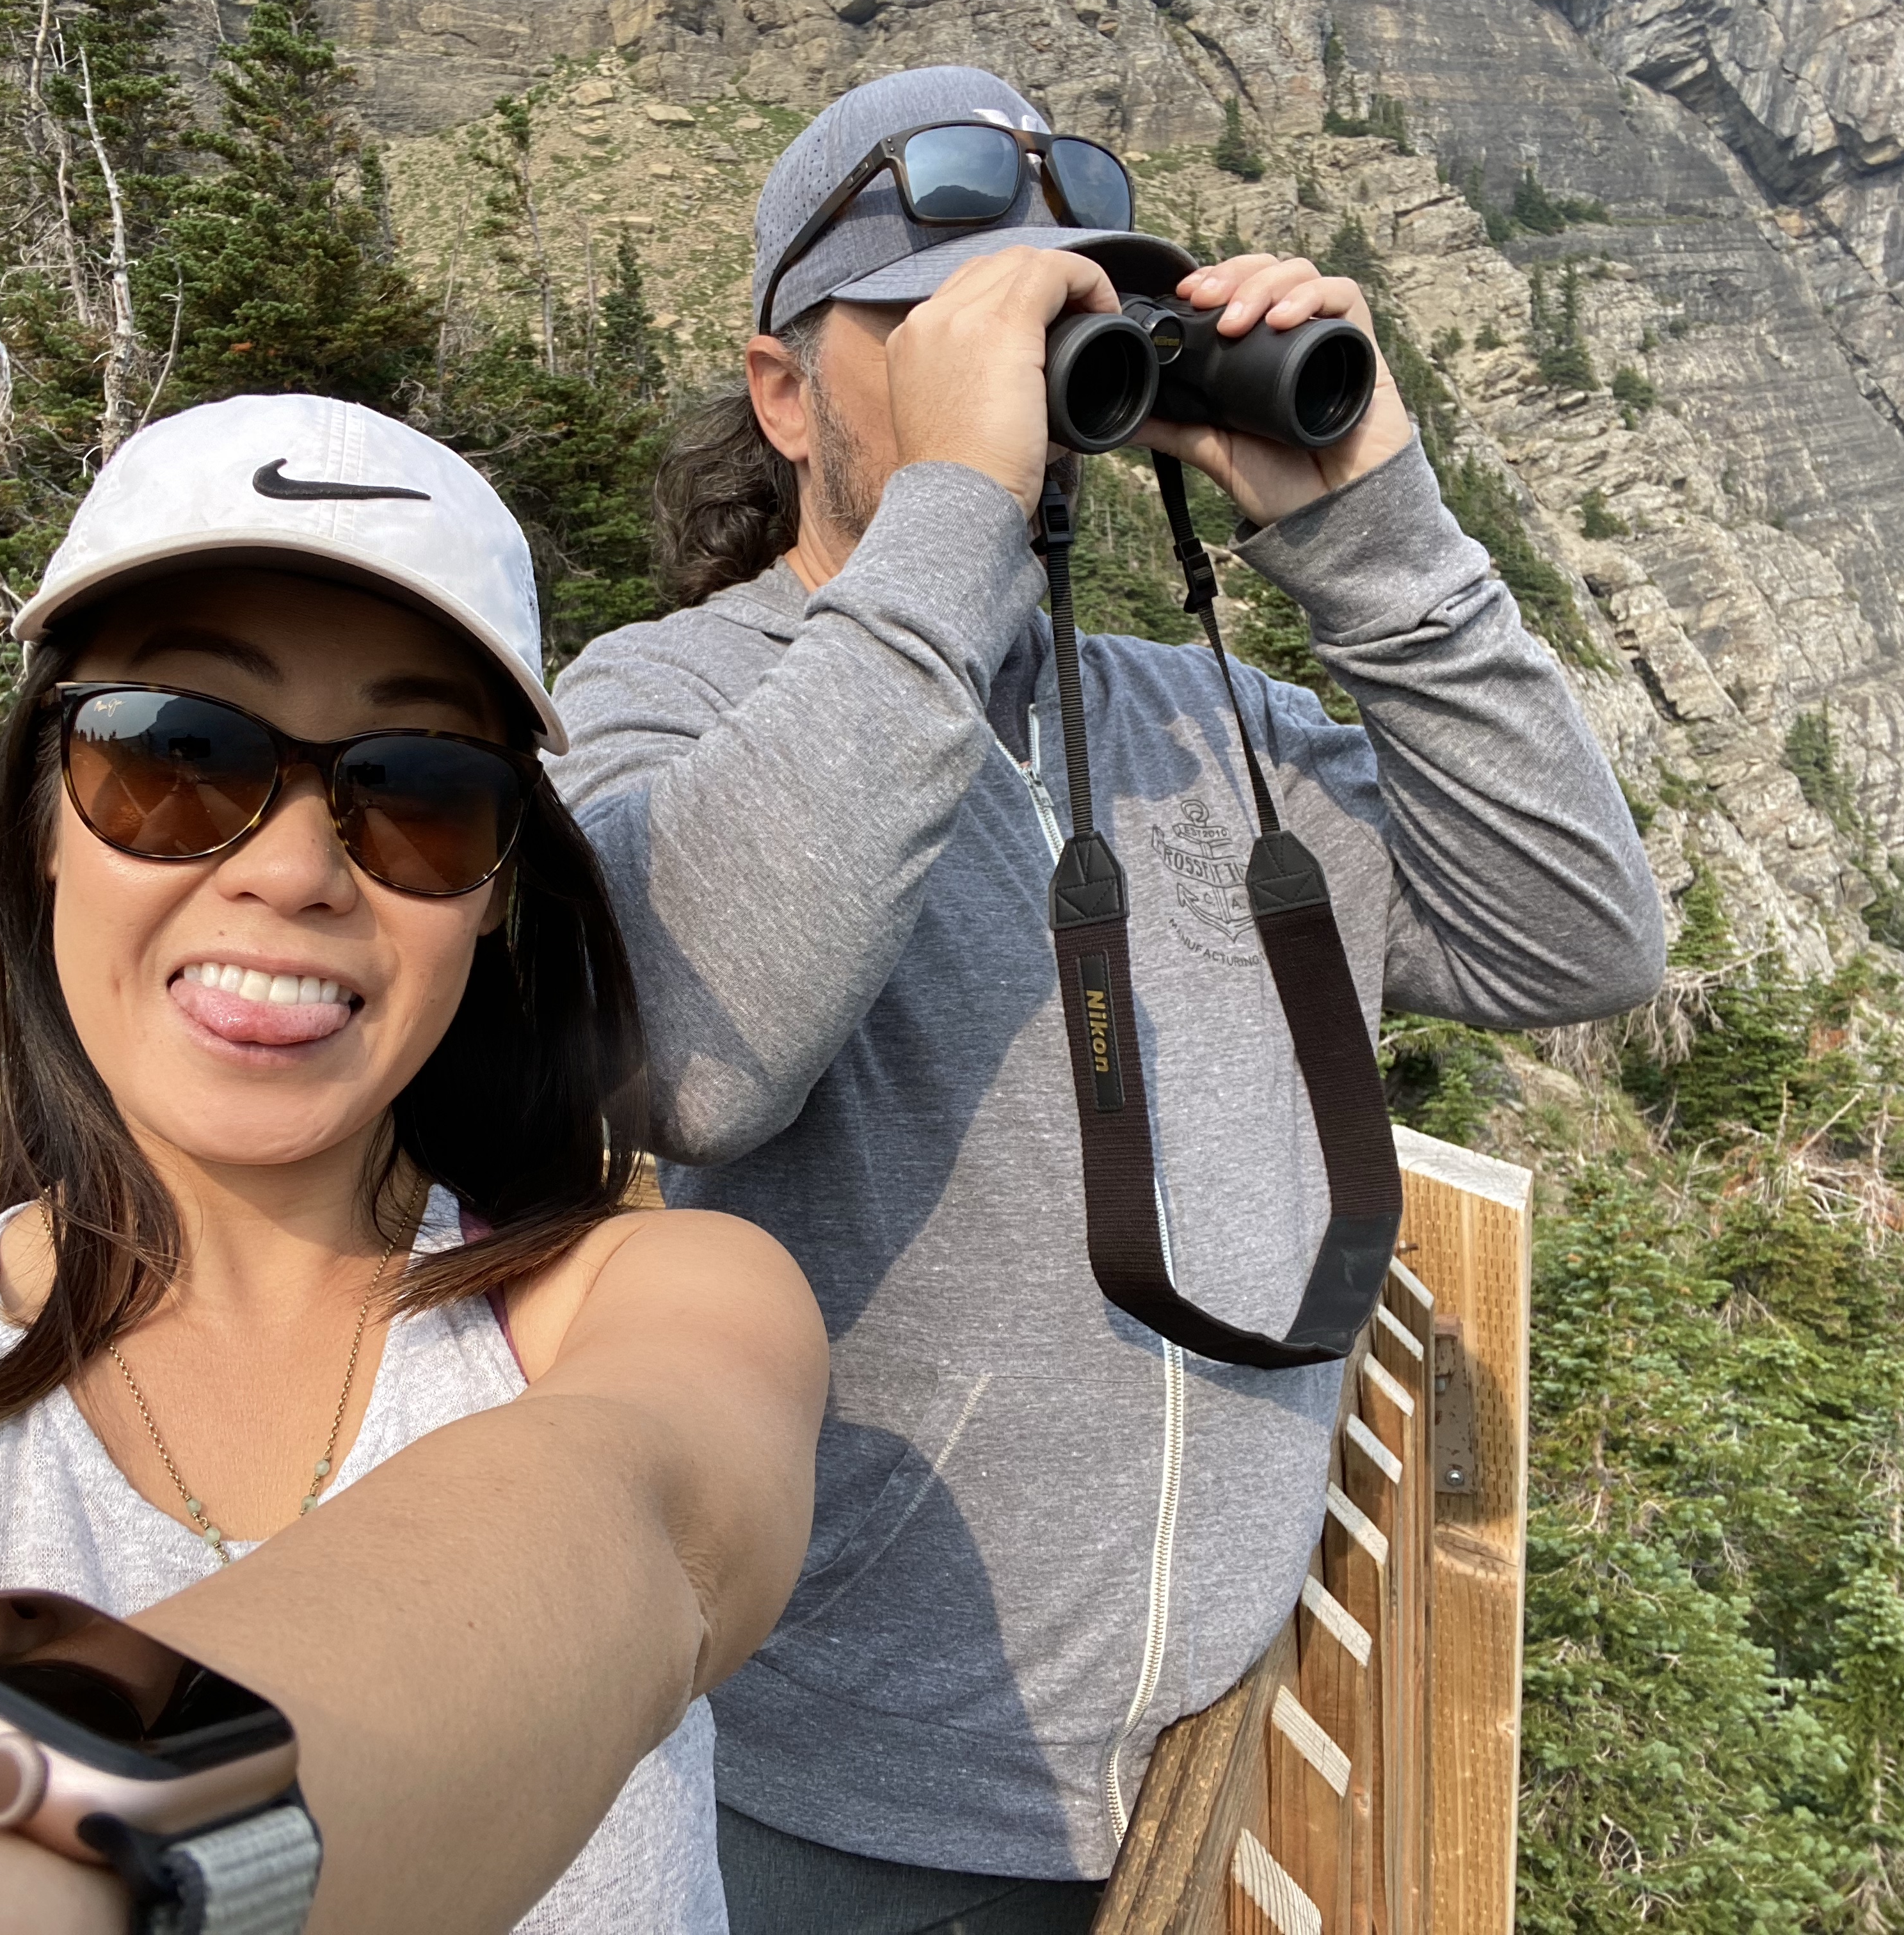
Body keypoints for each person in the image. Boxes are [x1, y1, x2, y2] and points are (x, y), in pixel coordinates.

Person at [0, 395, 827, 1935]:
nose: (295, 870)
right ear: (43, 815)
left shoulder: (669, 1297)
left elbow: (642, 1533)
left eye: (419, 790)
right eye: (177, 754)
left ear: (498, 890)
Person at [548, 65, 1665, 1933]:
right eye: (950, 326)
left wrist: (1373, 533)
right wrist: (951, 528)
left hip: (1232, 1766)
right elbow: (700, 1057)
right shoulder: (664, 699)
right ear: (782, 393)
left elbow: (1576, 941)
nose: (1026, 376)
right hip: (857, 1806)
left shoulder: (1210, 726)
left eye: (1066, 319)